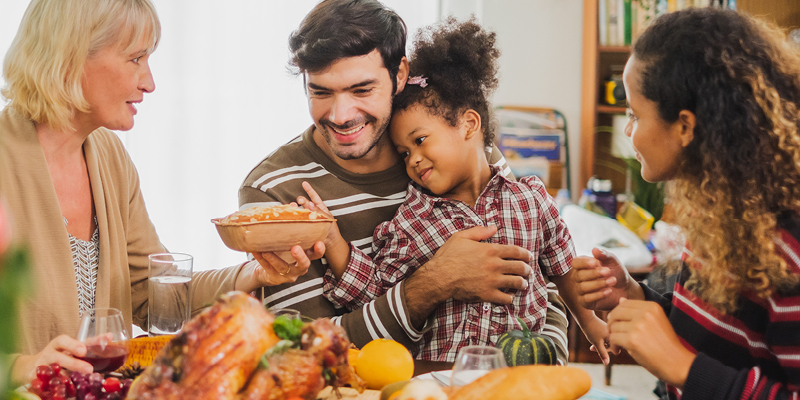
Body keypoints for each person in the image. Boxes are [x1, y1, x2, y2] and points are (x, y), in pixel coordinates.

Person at [239, 0, 571, 363]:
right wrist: (433, 283)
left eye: (361, 89)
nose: (340, 116)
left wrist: (542, 370)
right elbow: (299, 354)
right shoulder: (273, 189)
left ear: (399, 74)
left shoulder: (456, 152)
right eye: (320, 92)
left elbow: (541, 283)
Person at [0, 0, 310, 385]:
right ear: (71, 57)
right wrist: (22, 366)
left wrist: (255, 272)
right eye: (135, 59)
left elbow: (152, 293)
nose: (149, 82)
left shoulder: (110, 156)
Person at [573, 7, 800, 399]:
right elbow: (714, 338)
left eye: (634, 114)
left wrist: (680, 365)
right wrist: (635, 295)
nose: (628, 130)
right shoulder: (724, 211)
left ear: (684, 126)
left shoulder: (789, 251)